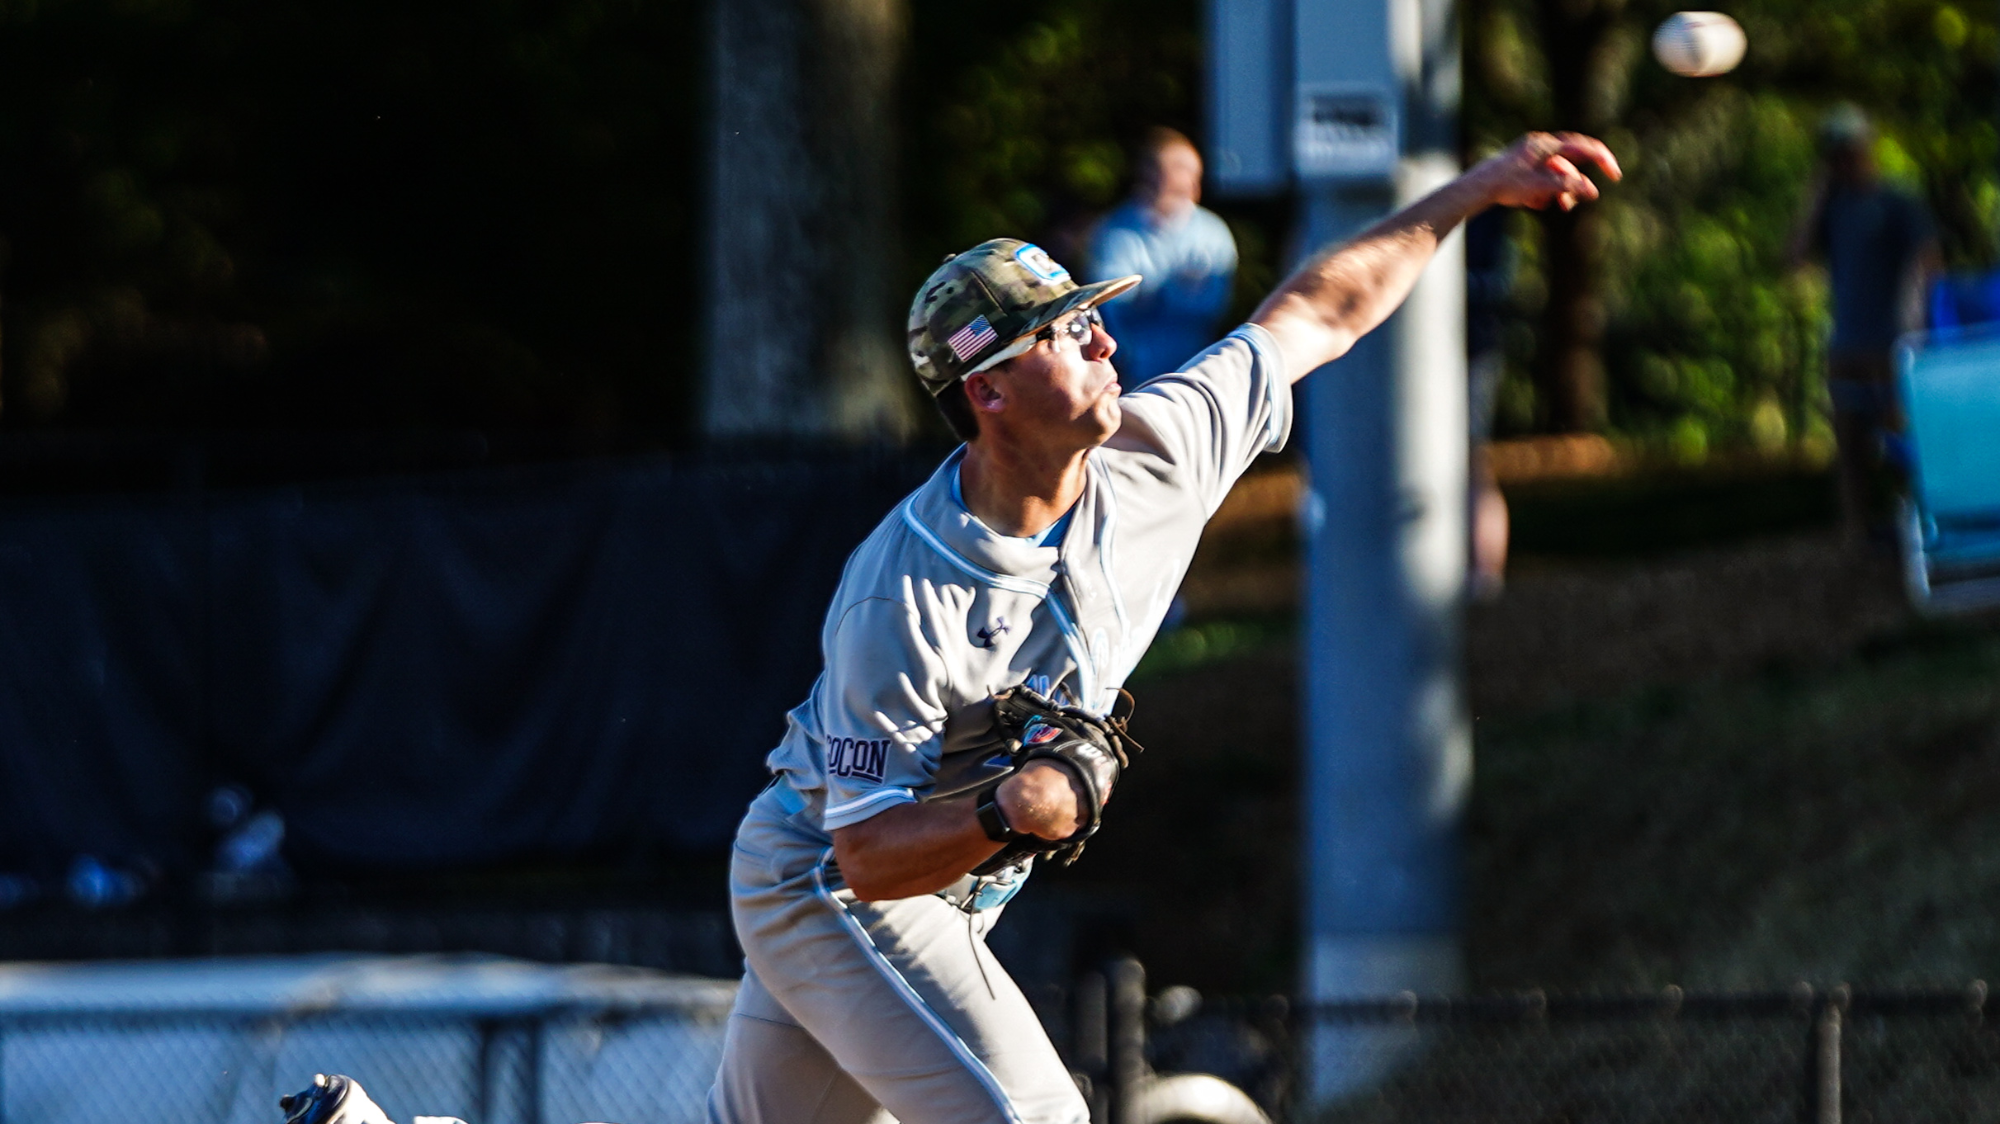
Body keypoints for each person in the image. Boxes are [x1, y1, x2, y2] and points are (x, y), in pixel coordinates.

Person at [704, 132, 1620, 1124]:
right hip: (829, 882)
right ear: (988, 391)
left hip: (919, 886)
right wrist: (1008, 811)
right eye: (1061, 333)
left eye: (1089, 319)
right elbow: (868, 853)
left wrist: (1472, 191)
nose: (1104, 341)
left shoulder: (1161, 449)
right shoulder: (907, 590)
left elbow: (1319, 311)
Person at [1787, 104, 1940, 544]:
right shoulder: (1832, 211)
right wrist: (1816, 197)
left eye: (1847, 150)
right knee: (1850, 449)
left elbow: (1929, 262)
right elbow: (1794, 259)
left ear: (1865, 146)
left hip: (1893, 347)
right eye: (1833, 154)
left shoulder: (1896, 201)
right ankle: (1856, 538)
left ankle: (1918, 529)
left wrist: (1914, 324)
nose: (1841, 161)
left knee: (1904, 445)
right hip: (1846, 347)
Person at [1086, 128, 1238, 382]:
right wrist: (1177, 290)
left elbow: (1212, 305)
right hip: (1131, 374)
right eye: (1179, 167)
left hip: (1195, 370)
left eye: (1192, 169)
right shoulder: (1116, 231)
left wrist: (1151, 296)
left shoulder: (1213, 233)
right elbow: (1109, 303)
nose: (1189, 179)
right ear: (1149, 173)